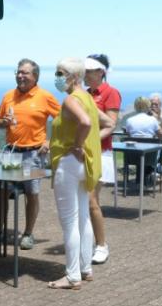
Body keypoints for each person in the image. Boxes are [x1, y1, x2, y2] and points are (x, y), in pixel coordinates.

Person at [47, 57, 113, 290]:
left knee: (69, 221)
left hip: (69, 162)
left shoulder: (71, 100)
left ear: (74, 77)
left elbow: (84, 122)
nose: (56, 77)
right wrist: (87, 144)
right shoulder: (87, 98)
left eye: (60, 73)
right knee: (83, 217)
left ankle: (72, 275)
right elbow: (108, 124)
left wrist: (76, 144)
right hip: (87, 165)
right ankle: (85, 269)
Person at [0, 59, 61, 250]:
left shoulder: (45, 96)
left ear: (35, 76)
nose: (20, 76)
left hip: (34, 153)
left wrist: (49, 141)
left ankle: (28, 234)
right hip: (11, 152)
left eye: (25, 73)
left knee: (32, 193)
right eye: (18, 72)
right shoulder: (8, 96)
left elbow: (62, 120)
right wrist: (4, 122)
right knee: (3, 192)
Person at [84, 53, 121, 265]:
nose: (86, 75)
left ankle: (101, 245)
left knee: (91, 201)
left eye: (90, 71)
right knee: (85, 201)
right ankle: (90, 242)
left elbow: (111, 124)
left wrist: (91, 142)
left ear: (101, 72)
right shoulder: (84, 93)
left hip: (99, 153)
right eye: (85, 71)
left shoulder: (110, 93)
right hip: (81, 153)